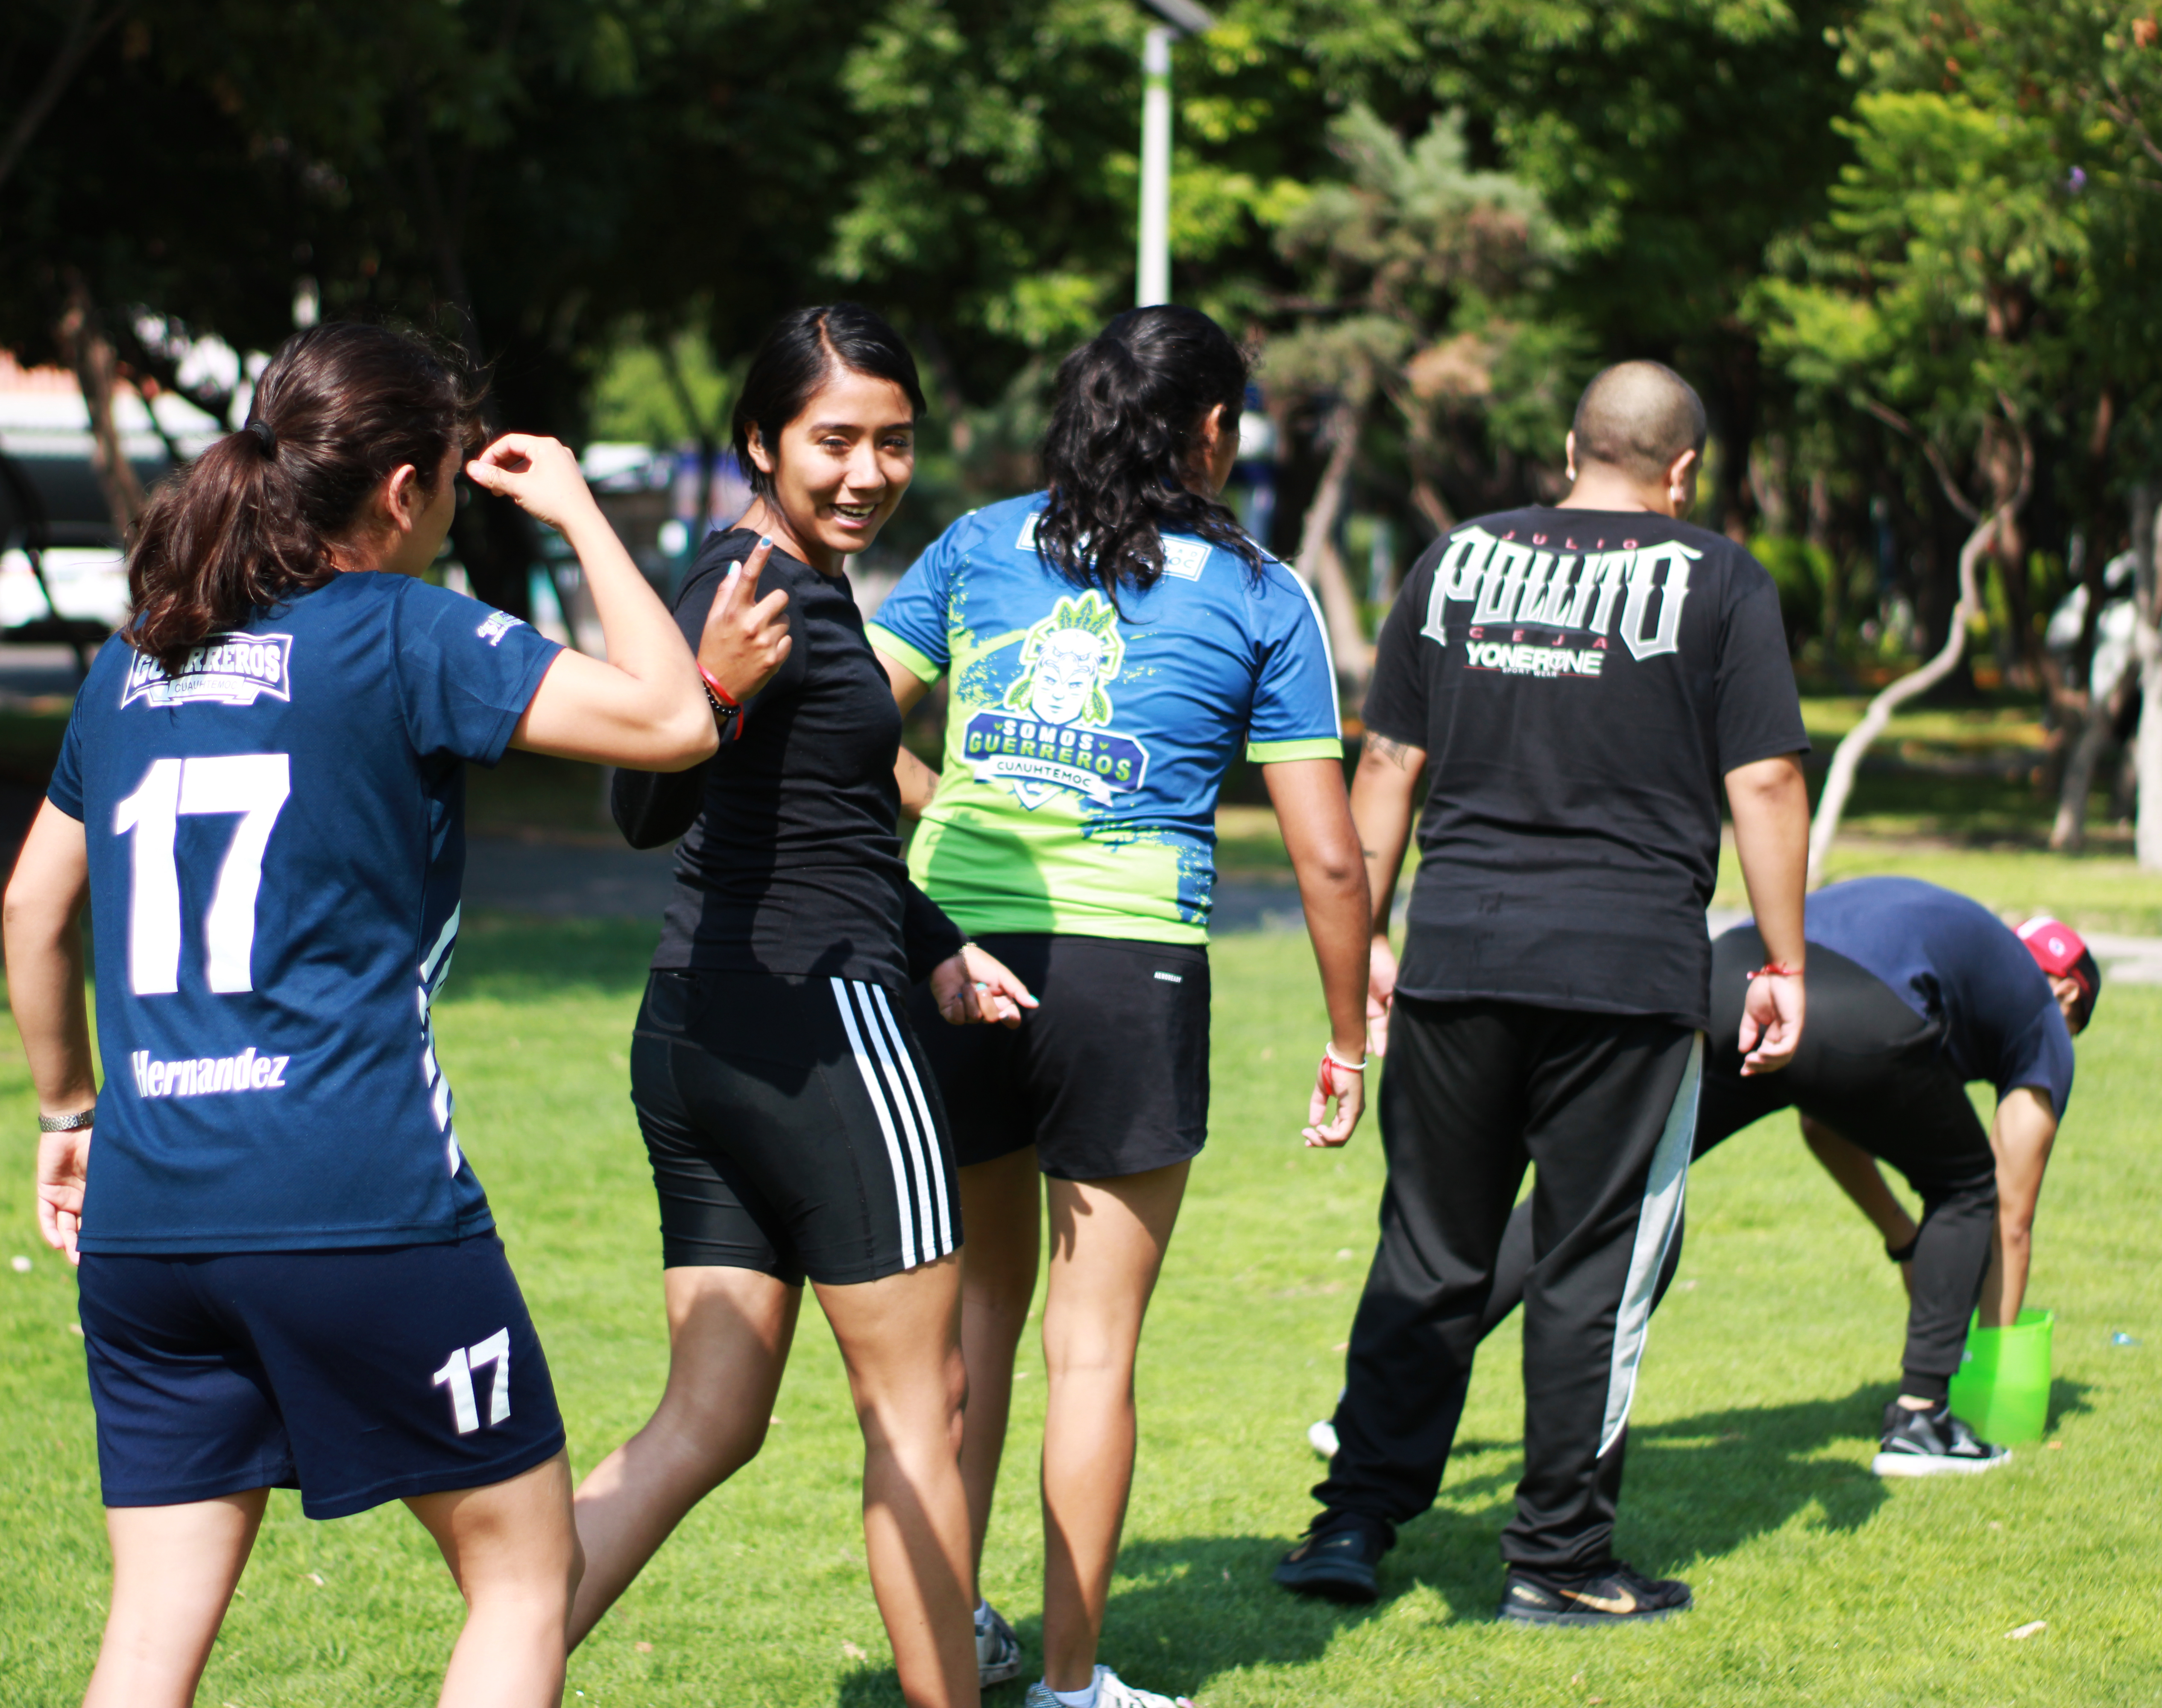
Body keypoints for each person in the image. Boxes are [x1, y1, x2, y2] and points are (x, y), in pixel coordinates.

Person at [0, 321, 776, 1708]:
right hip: (353, 1195)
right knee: (523, 1579)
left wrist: (68, 1111)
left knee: (151, 1632)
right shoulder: (400, 629)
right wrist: (581, 511)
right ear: (410, 489)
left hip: (146, 1214)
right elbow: (675, 721)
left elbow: (29, 910)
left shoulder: (139, 658)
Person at [867, 305, 1372, 1708]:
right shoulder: (1263, 594)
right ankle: (1073, 1684)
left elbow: (852, 714)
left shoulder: (975, 544)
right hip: (1129, 966)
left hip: (953, 952)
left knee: (975, 1319)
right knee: (1092, 1349)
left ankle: (956, 1637)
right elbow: (1327, 852)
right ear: (1211, 433)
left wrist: (940, 807)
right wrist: (1347, 1034)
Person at [1274, 360, 1812, 1624]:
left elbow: (1387, 769)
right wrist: (1782, 960)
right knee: (1588, 1261)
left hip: (1458, 951)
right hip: (1624, 974)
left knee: (1428, 1251)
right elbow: (1769, 784)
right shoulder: (1721, 578)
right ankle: (1558, 1558)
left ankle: (1352, 1522)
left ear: (1571, 448)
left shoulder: (1454, 559)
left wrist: (1358, 954)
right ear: (1680, 472)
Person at [569, 303, 1035, 1708]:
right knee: (922, 1409)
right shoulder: (751, 587)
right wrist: (711, 684)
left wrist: (940, 939)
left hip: (700, 1035)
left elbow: (819, 818)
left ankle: (497, 1667)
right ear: (762, 441)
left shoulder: (798, 580)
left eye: (894, 442)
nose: (868, 470)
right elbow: (642, 799)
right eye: (834, 440)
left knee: (709, 1419)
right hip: (822, 1041)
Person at [1462, 879, 2099, 1477]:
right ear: (2070, 994)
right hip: (1843, 1008)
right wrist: (1995, 1365)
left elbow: (1830, 1123)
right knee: (1967, 1185)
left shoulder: (1956, 946)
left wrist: (1905, 1239)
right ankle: (1923, 1421)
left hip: (1730, 971)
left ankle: (1407, 1379)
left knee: (1597, 1189)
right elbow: (2011, 1217)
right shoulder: (2043, 1018)